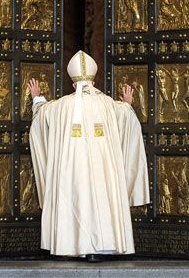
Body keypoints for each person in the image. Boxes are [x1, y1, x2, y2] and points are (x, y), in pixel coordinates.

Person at [28, 50, 150, 260]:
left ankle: (75, 246)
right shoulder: (110, 105)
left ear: (73, 84)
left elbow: (40, 115)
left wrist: (37, 97)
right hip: (103, 170)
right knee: (104, 197)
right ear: (93, 82)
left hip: (72, 170)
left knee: (74, 197)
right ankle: (103, 248)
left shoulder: (60, 106)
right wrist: (129, 104)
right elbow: (126, 118)